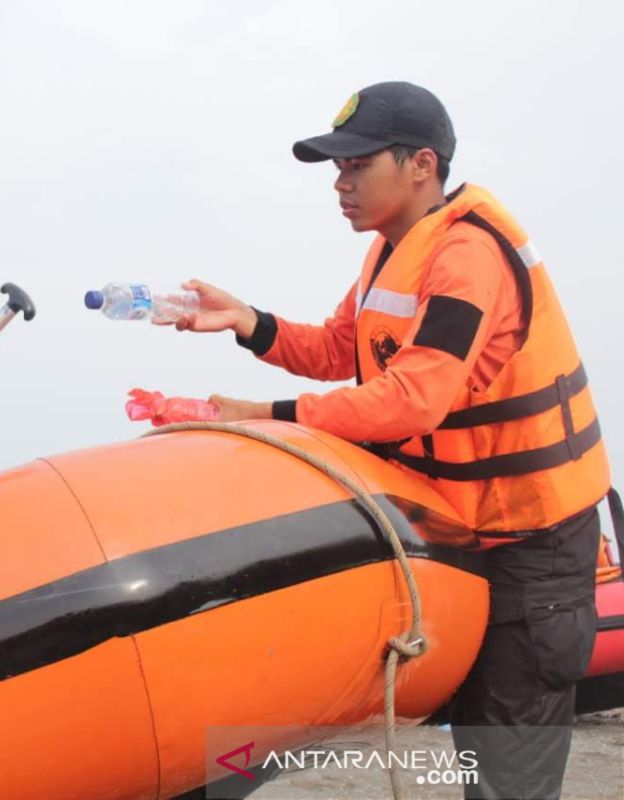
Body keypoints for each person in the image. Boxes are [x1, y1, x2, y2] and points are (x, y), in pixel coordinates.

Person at [170, 82, 612, 798]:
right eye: (336, 171)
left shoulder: (468, 256)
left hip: (532, 544)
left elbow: (414, 398)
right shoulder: (390, 253)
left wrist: (266, 414)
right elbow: (344, 346)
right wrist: (247, 320)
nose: (340, 185)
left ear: (420, 165)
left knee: (505, 768)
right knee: (467, 747)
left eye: (355, 166)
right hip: (459, 530)